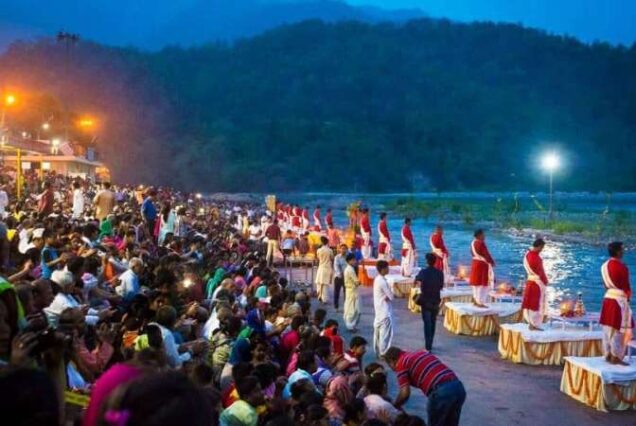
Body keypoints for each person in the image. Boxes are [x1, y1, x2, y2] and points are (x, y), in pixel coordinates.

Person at [385, 346, 466, 426]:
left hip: (441, 392)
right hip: (458, 387)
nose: (393, 370)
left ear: (392, 361)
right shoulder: (421, 353)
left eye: (390, 366)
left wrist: (394, 406)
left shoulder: (401, 364)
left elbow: (405, 393)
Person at [600, 241, 633, 365]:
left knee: (608, 327)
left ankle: (608, 354)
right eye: (622, 249)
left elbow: (605, 285)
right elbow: (626, 286)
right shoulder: (622, 267)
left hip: (608, 298)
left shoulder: (603, 266)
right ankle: (616, 357)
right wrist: (628, 296)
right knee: (618, 329)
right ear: (618, 251)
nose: (623, 251)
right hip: (618, 301)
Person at [414, 253, 444, 351]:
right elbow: (441, 286)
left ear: (427, 261)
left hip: (426, 301)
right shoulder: (440, 273)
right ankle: (430, 343)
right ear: (435, 261)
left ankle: (428, 346)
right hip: (435, 300)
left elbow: (416, 280)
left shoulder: (423, 272)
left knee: (427, 324)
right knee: (433, 322)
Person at [521, 238, 549, 331]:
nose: (542, 250)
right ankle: (534, 324)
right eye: (542, 248)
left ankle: (530, 323)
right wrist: (545, 281)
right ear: (539, 246)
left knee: (530, 303)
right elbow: (540, 272)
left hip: (529, 281)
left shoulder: (527, 254)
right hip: (537, 283)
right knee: (536, 304)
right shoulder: (536, 258)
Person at [372, 260, 394, 357]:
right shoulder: (383, 282)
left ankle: (377, 351)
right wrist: (391, 289)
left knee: (378, 333)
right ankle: (383, 352)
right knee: (384, 335)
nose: (388, 269)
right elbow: (391, 296)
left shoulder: (377, 279)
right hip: (385, 311)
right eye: (387, 268)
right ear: (383, 269)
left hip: (378, 310)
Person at [469, 229, 495, 307]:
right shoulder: (481, 243)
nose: (484, 236)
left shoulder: (473, 243)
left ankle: (475, 299)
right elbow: (486, 254)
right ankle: (480, 302)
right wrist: (492, 262)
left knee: (476, 283)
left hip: (475, 263)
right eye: (483, 235)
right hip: (481, 265)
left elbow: (471, 252)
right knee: (482, 283)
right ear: (479, 235)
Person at [343, 253, 361, 332]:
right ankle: (350, 326)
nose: (355, 261)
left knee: (354, 308)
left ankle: (352, 325)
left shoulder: (349, 268)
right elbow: (356, 282)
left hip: (351, 290)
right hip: (351, 291)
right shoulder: (350, 269)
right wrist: (358, 282)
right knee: (352, 309)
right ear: (349, 261)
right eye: (353, 260)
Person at [315, 236, 334, 304]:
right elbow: (332, 258)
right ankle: (324, 299)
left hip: (321, 268)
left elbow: (317, 258)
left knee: (319, 283)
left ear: (321, 242)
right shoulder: (330, 250)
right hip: (327, 268)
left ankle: (319, 296)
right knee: (325, 285)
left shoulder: (319, 250)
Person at [333, 244, 348, 311]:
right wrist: (340, 274)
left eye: (345, 249)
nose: (343, 250)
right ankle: (336, 307)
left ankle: (346, 307)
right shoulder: (337, 257)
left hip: (347, 277)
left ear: (347, 250)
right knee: (337, 292)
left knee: (346, 293)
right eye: (342, 248)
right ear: (339, 249)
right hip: (338, 277)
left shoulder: (348, 257)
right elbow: (336, 267)